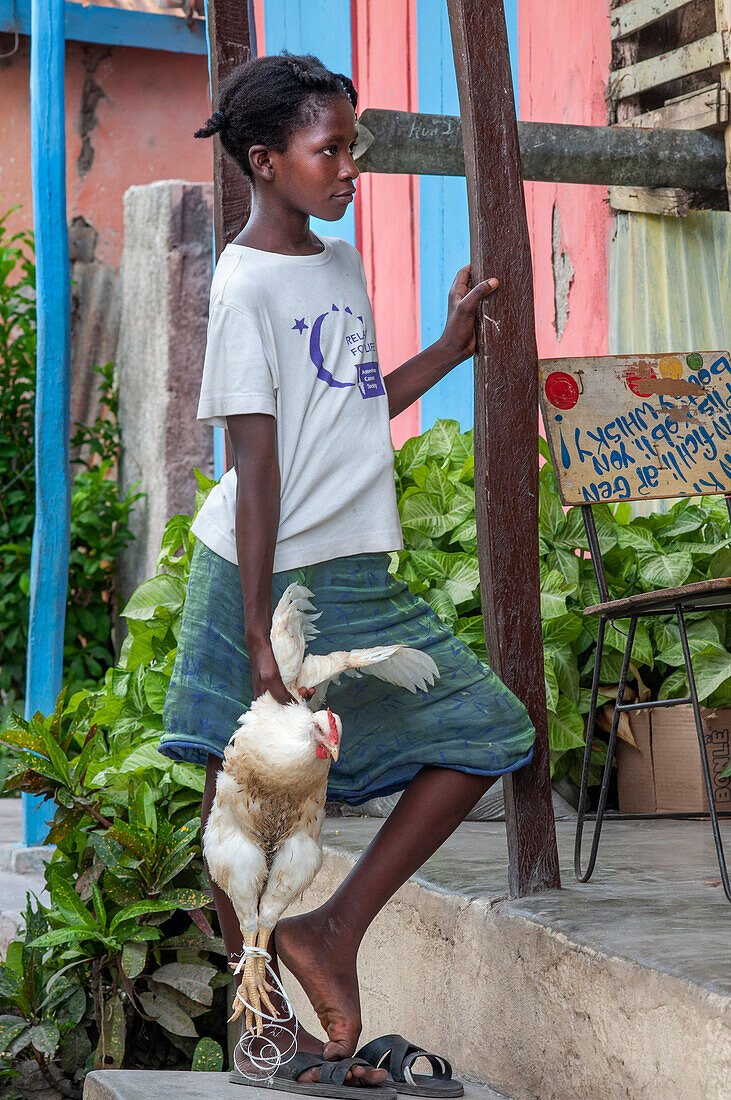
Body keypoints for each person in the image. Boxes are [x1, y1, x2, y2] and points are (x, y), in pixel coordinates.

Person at [160, 52, 535, 1092]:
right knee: (238, 805)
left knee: (484, 731)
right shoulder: (241, 288)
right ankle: (260, 1016)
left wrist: (448, 348)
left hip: (351, 568)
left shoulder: (335, 262)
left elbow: (350, 407)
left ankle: (328, 928)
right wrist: (255, 637)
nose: (348, 166)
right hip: (262, 576)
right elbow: (256, 460)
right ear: (264, 160)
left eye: (350, 146)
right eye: (329, 150)